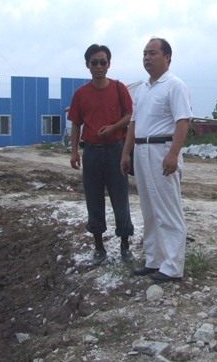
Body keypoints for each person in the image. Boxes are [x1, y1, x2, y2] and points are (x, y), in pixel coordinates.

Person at [120, 37, 193, 282]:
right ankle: (154, 260)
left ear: (167, 57)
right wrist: (126, 152)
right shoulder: (143, 88)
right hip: (141, 150)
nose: (147, 58)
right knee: (149, 209)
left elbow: (183, 121)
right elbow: (133, 123)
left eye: (153, 53)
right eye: (144, 53)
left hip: (162, 149)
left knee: (167, 209)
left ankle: (173, 266)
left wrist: (173, 153)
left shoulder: (175, 85)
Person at [67, 44, 135, 267]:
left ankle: (125, 245)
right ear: (87, 65)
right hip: (92, 153)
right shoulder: (81, 94)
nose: (99, 67)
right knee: (93, 199)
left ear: (109, 64)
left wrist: (113, 128)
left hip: (116, 150)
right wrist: (74, 151)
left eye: (102, 62)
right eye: (94, 62)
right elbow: (75, 123)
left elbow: (130, 116)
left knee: (120, 199)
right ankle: (98, 247)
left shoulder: (119, 89)